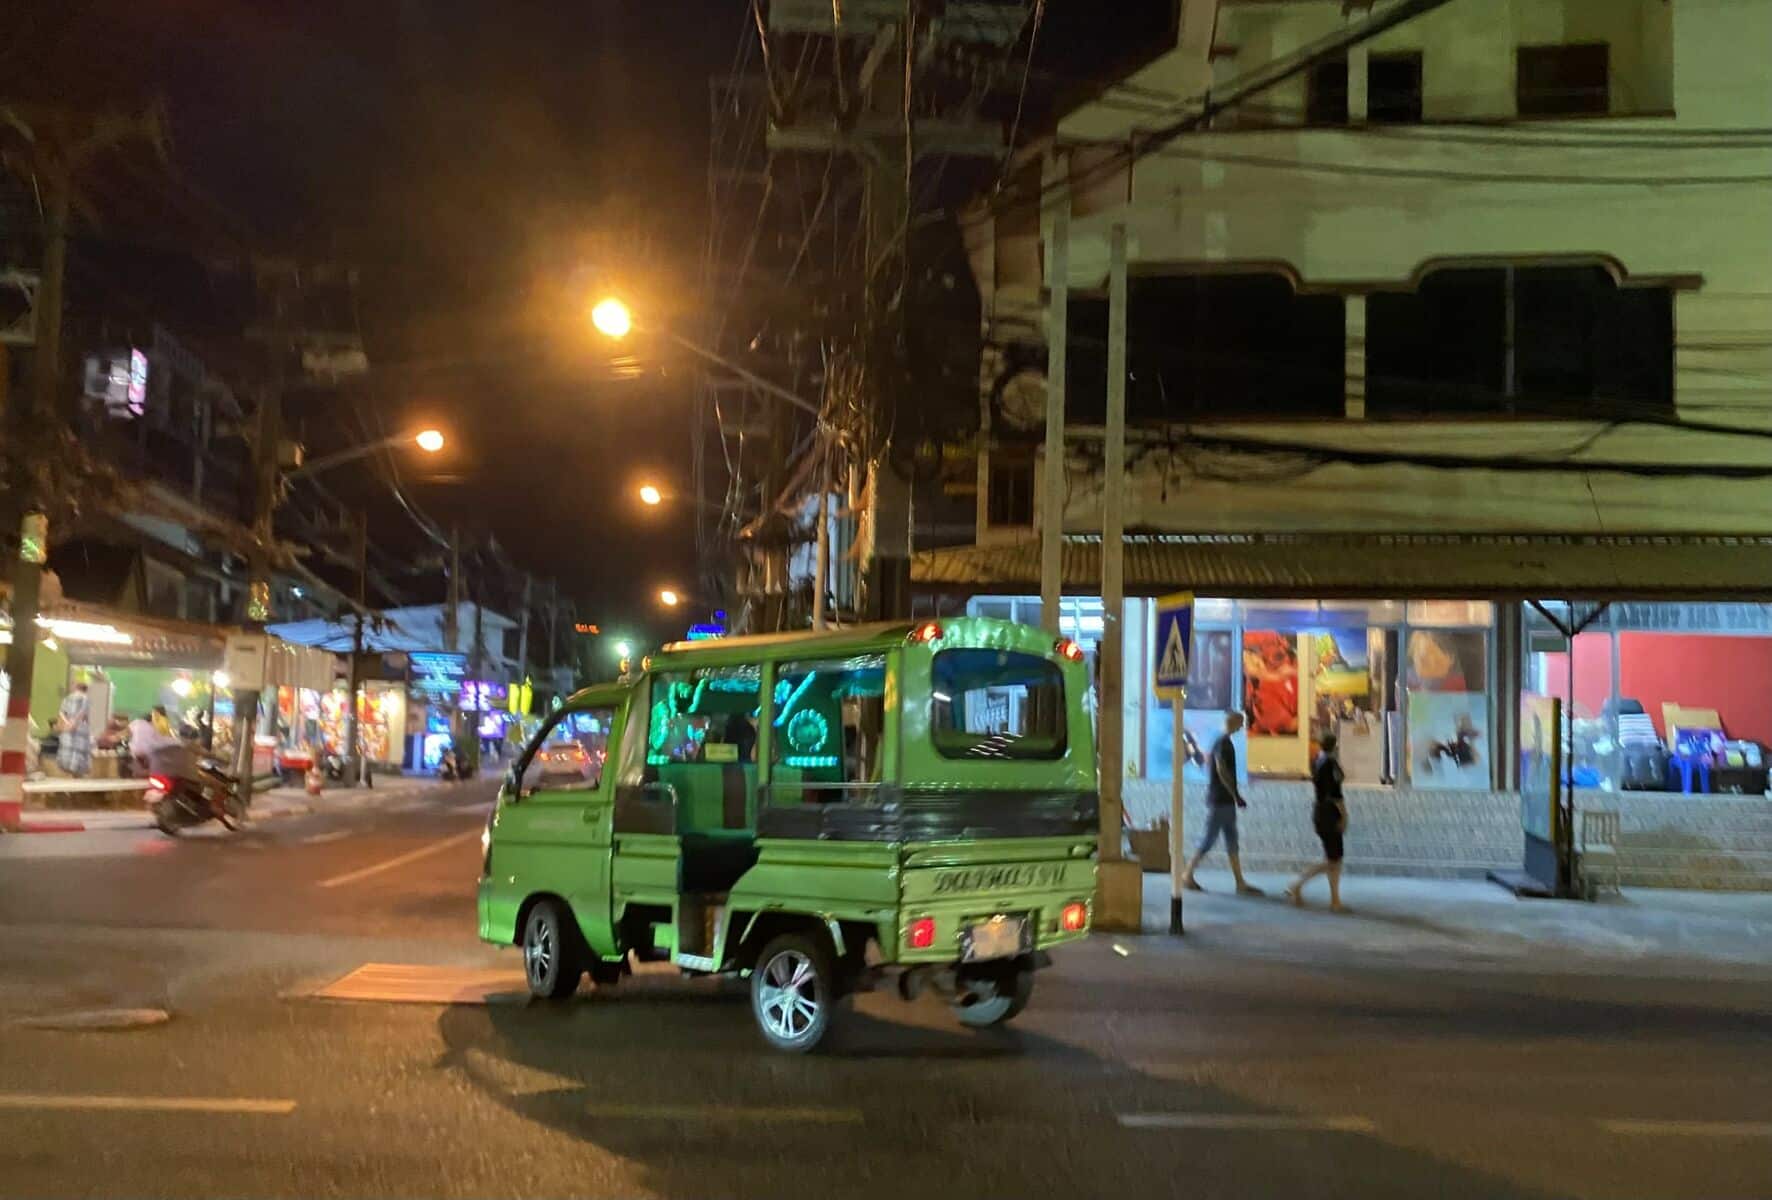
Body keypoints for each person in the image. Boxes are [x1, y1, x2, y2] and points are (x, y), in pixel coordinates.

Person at [1179, 712, 1262, 896]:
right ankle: (1187, 874)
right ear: (1232, 723)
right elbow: (1222, 769)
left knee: (1231, 839)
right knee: (1209, 839)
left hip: (1223, 800)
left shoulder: (1223, 742)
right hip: (1221, 800)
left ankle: (1240, 882)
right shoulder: (1224, 743)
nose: (1241, 728)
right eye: (1240, 724)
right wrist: (1235, 794)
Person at [1286, 734, 1348, 912]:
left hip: (1320, 812)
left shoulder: (1316, 762)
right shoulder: (1330, 764)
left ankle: (1335, 899)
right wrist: (1344, 815)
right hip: (1330, 814)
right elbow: (1336, 793)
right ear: (1335, 745)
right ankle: (1297, 884)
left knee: (1334, 859)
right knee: (1333, 860)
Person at [55, 682, 94, 777]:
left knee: (68, 748)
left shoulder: (67, 698)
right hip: (80, 728)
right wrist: (74, 722)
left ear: (76, 687)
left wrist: (67, 723)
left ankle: (68, 772)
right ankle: (77, 773)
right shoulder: (86, 699)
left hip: (67, 727)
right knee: (78, 750)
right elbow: (82, 713)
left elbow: (61, 713)